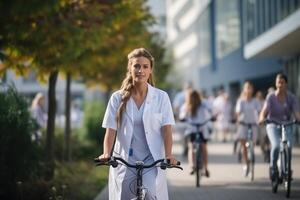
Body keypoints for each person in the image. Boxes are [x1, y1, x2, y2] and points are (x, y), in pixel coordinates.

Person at [97, 48, 179, 200]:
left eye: (145, 66)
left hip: (151, 160)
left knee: (150, 194)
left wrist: (168, 155)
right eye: (136, 66)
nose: (140, 70)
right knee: (123, 196)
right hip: (124, 161)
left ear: (150, 70)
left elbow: (167, 130)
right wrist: (106, 153)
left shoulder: (161, 97)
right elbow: (111, 130)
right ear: (130, 68)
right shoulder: (117, 98)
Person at [259, 73, 300, 181]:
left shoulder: (291, 97)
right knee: (276, 145)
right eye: (278, 82)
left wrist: (298, 119)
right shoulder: (271, 97)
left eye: (282, 82)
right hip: (272, 124)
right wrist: (262, 118)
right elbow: (264, 110)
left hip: (287, 125)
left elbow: (296, 112)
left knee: (289, 146)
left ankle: (287, 169)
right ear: (276, 83)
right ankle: (273, 167)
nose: (280, 85)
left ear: (286, 84)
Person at [179, 90, 212, 177]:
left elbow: (210, 109)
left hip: (202, 128)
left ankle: (205, 168)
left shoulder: (203, 104)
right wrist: (183, 117)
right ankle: (192, 166)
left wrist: (212, 116)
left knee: (202, 147)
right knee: (192, 147)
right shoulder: (186, 106)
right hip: (192, 129)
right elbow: (182, 115)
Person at [235, 81, 260, 177]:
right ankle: (246, 163)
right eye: (247, 88)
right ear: (244, 89)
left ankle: (251, 155)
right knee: (243, 146)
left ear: (253, 90)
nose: (249, 90)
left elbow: (259, 111)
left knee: (252, 144)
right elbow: (238, 112)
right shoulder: (241, 101)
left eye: (250, 88)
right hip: (243, 124)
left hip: (253, 124)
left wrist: (260, 119)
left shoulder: (255, 101)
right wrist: (238, 120)